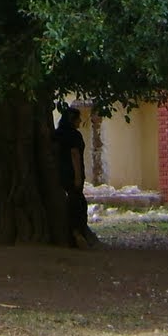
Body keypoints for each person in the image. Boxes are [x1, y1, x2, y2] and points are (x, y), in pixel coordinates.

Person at [53, 104, 99, 248]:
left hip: (60, 173)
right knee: (78, 203)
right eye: (78, 119)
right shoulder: (74, 135)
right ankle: (77, 232)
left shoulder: (57, 134)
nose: (80, 121)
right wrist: (78, 176)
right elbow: (75, 156)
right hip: (72, 174)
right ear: (72, 120)